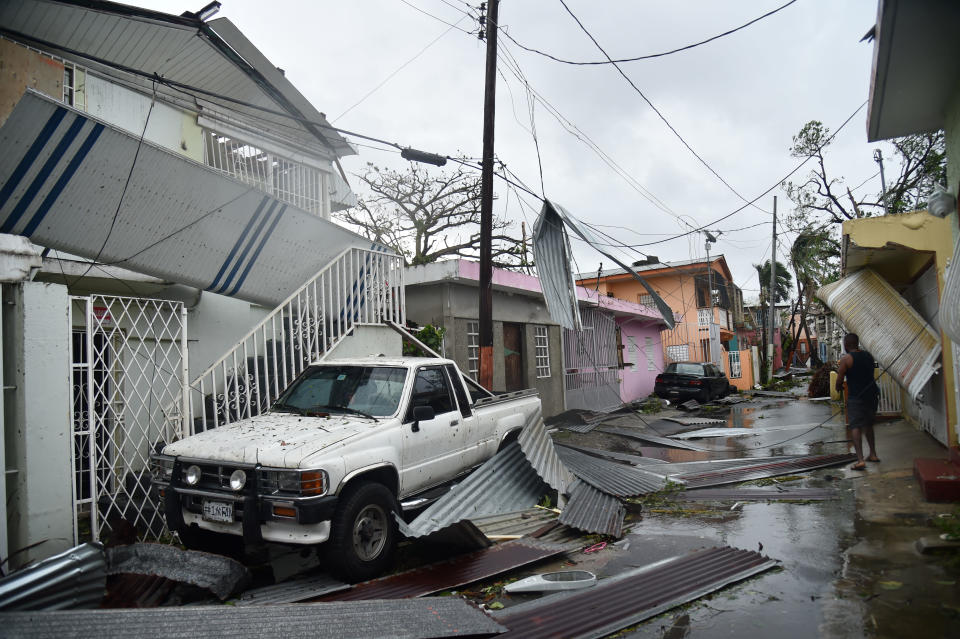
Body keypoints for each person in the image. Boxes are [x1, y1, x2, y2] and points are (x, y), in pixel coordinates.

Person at [835, 333, 880, 470]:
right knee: (869, 425)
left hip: (856, 397)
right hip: (872, 395)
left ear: (846, 345)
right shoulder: (868, 356)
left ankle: (860, 460)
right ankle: (873, 454)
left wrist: (838, 387)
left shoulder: (846, 359)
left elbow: (839, 378)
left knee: (855, 427)